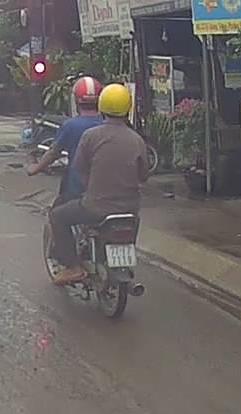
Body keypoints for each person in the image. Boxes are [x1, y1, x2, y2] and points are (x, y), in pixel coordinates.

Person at [47, 83, 150, 286]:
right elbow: (143, 176)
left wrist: (90, 187)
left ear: (102, 107)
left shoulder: (91, 136)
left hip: (95, 207)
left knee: (57, 216)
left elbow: (79, 168)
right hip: (130, 209)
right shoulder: (137, 140)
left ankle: (73, 267)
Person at [27, 76, 103, 205]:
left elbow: (53, 153)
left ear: (76, 100)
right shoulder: (109, 125)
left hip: (77, 189)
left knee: (56, 214)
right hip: (105, 191)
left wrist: (35, 168)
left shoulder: (70, 126)